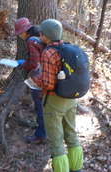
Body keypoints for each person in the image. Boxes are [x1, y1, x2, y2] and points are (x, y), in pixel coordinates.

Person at [32, 19, 83, 172]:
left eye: (41, 33)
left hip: (55, 101)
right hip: (72, 99)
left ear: (46, 36)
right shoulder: (68, 48)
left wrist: (35, 79)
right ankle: (77, 168)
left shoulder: (48, 53)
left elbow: (48, 84)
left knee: (56, 141)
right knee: (72, 135)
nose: (40, 35)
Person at [14, 17, 46, 144]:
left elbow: (34, 63)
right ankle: (45, 130)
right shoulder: (40, 36)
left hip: (38, 77)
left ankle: (40, 135)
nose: (19, 36)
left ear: (24, 31)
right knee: (45, 106)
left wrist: (23, 64)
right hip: (48, 74)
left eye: (19, 33)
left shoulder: (31, 41)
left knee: (40, 107)